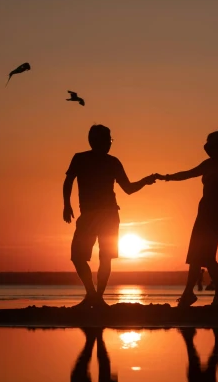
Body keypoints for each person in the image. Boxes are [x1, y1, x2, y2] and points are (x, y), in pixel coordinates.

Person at [63, 125, 157, 306]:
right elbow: (68, 181)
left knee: (104, 257)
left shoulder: (112, 162)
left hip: (108, 215)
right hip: (91, 215)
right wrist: (66, 205)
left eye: (110, 140)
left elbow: (128, 189)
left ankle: (96, 297)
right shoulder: (81, 158)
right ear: (96, 141)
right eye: (108, 140)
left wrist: (145, 181)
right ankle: (92, 295)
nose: (110, 144)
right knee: (78, 256)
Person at [160, 124, 218, 307]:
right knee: (195, 255)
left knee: (208, 256)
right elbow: (188, 174)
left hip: (213, 213)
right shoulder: (210, 164)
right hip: (204, 212)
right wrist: (167, 177)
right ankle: (188, 294)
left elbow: (217, 173)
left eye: (211, 147)